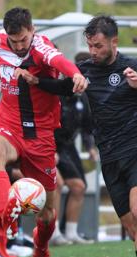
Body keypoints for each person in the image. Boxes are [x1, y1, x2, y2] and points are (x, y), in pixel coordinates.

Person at [21, 15, 137, 257]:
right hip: (110, 159)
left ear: (114, 42)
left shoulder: (134, 67)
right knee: (135, 228)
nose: (93, 51)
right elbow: (62, 87)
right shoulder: (85, 70)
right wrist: (37, 83)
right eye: (90, 45)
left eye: (98, 46)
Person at [0, 7, 87, 257]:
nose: (18, 46)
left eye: (23, 40)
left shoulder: (41, 48)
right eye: (13, 40)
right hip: (9, 122)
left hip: (40, 135)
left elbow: (60, 61)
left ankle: (41, 245)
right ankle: (4, 211)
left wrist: (75, 74)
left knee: (48, 213)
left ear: (33, 31)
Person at [50, 52, 97, 245]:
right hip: (51, 144)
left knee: (79, 187)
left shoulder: (82, 97)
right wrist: (50, 149)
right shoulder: (58, 93)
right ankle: (52, 233)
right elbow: (47, 123)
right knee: (57, 184)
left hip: (68, 146)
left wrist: (90, 147)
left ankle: (71, 232)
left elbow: (87, 126)